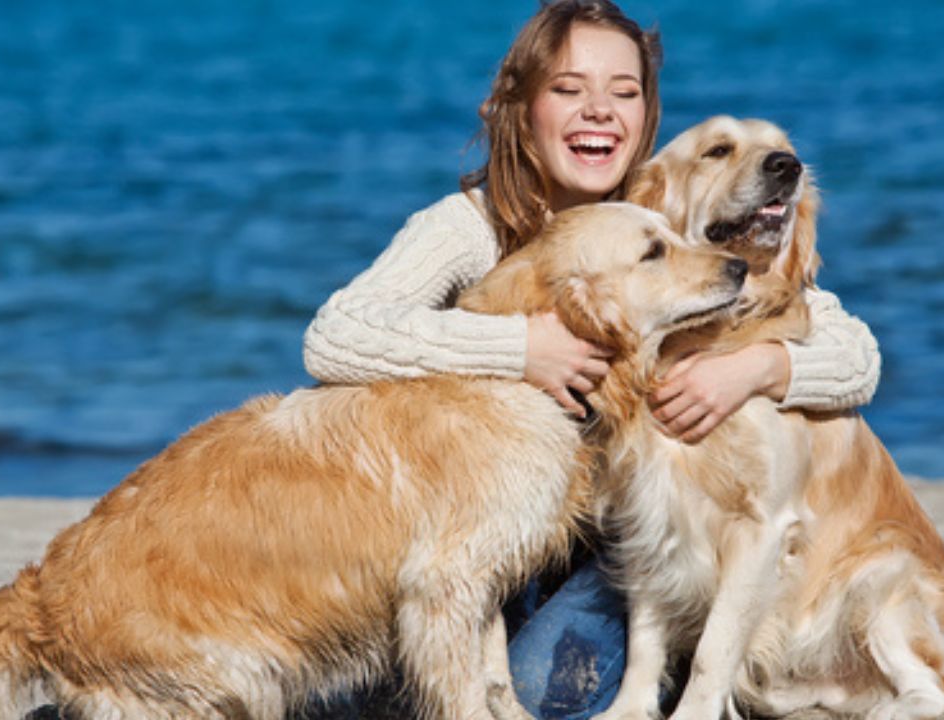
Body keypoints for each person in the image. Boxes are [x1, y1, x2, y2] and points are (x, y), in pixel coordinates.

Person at [302, 1, 880, 717]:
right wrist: (521, 349)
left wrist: (761, 369)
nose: (599, 110)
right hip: (482, 531)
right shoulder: (468, 228)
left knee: (547, 692)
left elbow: (853, 350)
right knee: (356, 697)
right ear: (515, 108)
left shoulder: (665, 215)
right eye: (568, 89)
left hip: (614, 552)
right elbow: (336, 334)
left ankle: (663, 672)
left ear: (647, 112)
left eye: (625, 92)